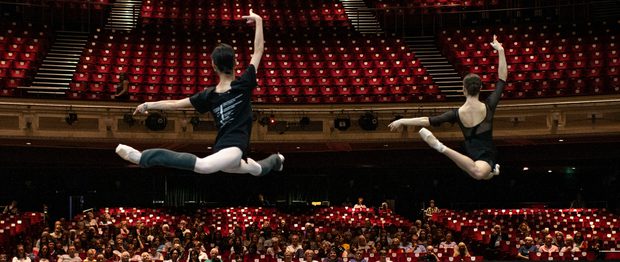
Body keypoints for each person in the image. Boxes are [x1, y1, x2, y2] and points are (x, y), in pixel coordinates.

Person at [115, 9, 284, 177]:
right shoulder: (219, 91)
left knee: (204, 166)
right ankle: (277, 160)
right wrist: (259, 21)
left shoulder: (238, 86)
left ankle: (144, 157)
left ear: (213, 66)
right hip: (223, 148)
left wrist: (147, 104)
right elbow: (258, 49)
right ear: (236, 62)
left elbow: (175, 104)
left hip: (235, 147)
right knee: (256, 170)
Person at [388, 35, 507, 180]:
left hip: (477, 156)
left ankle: (441, 148)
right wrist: (500, 50)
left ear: (463, 89)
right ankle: (491, 170)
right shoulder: (489, 105)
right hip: (478, 155)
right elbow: (502, 79)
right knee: (481, 174)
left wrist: (402, 121)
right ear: (480, 88)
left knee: (480, 174)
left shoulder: (456, 114)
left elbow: (427, 120)